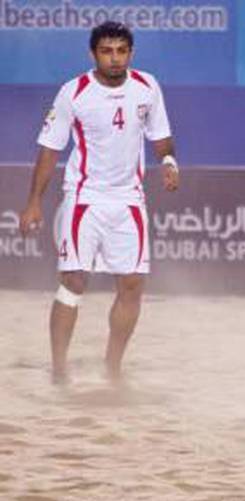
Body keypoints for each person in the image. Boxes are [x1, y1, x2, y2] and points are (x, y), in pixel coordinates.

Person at [18, 21, 179, 383]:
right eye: (107, 51)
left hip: (129, 201)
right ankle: (59, 370)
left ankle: (112, 368)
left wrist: (168, 162)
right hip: (85, 199)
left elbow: (162, 136)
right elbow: (49, 150)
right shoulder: (74, 93)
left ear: (130, 53)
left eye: (121, 50)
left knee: (133, 283)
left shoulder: (147, 87)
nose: (114, 58)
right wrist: (33, 203)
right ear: (94, 54)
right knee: (74, 280)